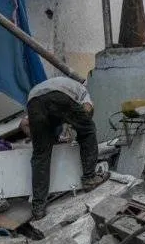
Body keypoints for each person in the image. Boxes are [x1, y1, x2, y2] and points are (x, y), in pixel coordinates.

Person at [23, 75, 100, 219]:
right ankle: (90, 178)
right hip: (58, 96)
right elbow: (87, 108)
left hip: (33, 100)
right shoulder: (83, 91)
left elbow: (24, 124)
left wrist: (41, 140)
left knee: (41, 154)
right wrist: (81, 125)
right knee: (88, 130)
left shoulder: (55, 83)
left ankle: (38, 206)